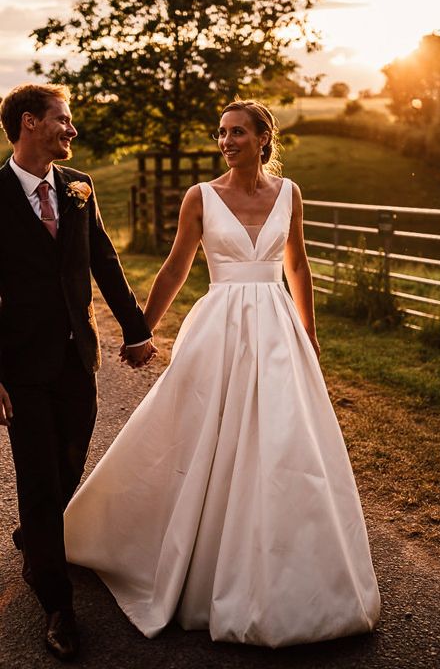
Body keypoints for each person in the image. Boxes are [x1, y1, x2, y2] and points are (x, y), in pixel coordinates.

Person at [64, 99, 380, 647]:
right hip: (219, 326)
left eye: (238, 132)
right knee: (196, 431)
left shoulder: (291, 193)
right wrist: (143, 331)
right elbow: (176, 265)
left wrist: (309, 329)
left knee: (283, 440)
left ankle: (282, 570)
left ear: (264, 139)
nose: (227, 141)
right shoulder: (201, 197)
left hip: (278, 327)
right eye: (221, 133)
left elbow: (297, 263)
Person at [0, 83, 156, 661]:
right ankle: (57, 604)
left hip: (77, 360)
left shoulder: (78, 187)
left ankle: (36, 539)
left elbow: (105, 260)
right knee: (40, 479)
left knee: (69, 465)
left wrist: (136, 329)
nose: (71, 130)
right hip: (20, 368)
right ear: (29, 122)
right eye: (62, 120)